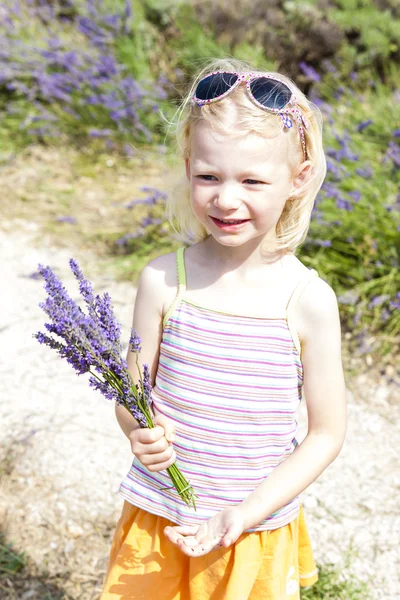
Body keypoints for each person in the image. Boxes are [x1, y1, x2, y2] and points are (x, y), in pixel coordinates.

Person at [100, 58, 347, 600]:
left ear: (297, 178)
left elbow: (326, 433)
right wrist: (137, 430)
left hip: (250, 528)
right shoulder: (166, 280)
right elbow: (130, 394)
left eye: (252, 180)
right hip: (160, 514)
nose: (226, 198)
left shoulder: (307, 302)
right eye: (208, 176)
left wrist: (246, 511)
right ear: (188, 165)